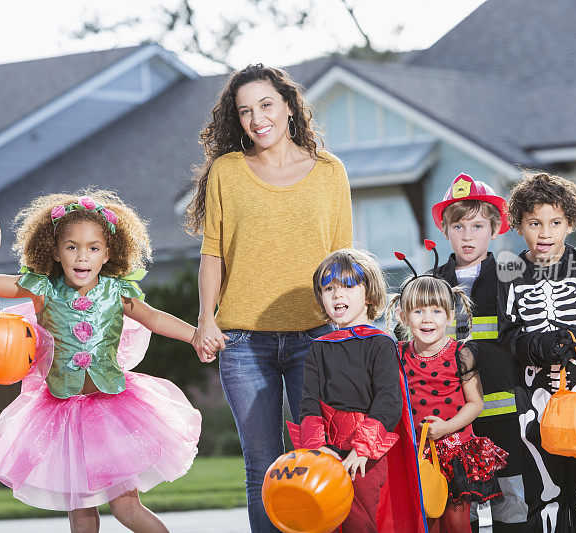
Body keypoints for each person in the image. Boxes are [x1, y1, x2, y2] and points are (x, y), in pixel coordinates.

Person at [0, 191, 217, 533]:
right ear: (55, 251)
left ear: (108, 253)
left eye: (93, 248)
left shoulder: (117, 292)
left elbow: (155, 319)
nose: (82, 256)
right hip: (61, 413)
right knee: (82, 517)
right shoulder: (42, 289)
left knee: (127, 508)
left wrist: (196, 336)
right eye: (71, 247)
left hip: (112, 410)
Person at [185, 64, 352, 532]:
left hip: (316, 337)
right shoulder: (228, 172)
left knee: (317, 459)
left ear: (288, 107)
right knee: (263, 464)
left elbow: (343, 258)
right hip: (243, 343)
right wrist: (205, 319)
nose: (257, 119)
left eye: (265, 105)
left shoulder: (328, 172)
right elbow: (213, 253)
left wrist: (348, 325)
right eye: (245, 112)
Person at [497, 172, 576, 532]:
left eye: (555, 222)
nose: (545, 233)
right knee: (544, 491)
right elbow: (508, 332)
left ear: (570, 224)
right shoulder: (511, 270)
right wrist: (537, 345)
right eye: (534, 223)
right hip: (537, 396)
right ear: (519, 224)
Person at [288, 248, 426, 533]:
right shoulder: (319, 347)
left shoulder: (380, 343)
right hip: (328, 451)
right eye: (328, 289)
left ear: (369, 295)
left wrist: (362, 450)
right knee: (326, 521)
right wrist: (317, 449)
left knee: (361, 523)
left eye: (349, 286)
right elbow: (309, 403)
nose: (338, 295)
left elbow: (388, 400)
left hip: (367, 454)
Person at [432, 173, 529, 532]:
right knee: (460, 503)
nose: (468, 235)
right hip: (452, 416)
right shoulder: (432, 283)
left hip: (505, 412)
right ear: (445, 230)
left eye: (477, 225)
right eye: (458, 225)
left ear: (495, 229)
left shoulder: (512, 277)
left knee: (512, 499)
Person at [392, 244, 508, 533]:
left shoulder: (461, 353)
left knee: (456, 522)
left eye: (435, 310)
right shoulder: (398, 353)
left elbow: (475, 403)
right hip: (417, 453)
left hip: (455, 450)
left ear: (450, 316)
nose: (427, 319)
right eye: (418, 311)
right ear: (403, 317)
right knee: (427, 520)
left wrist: (447, 427)